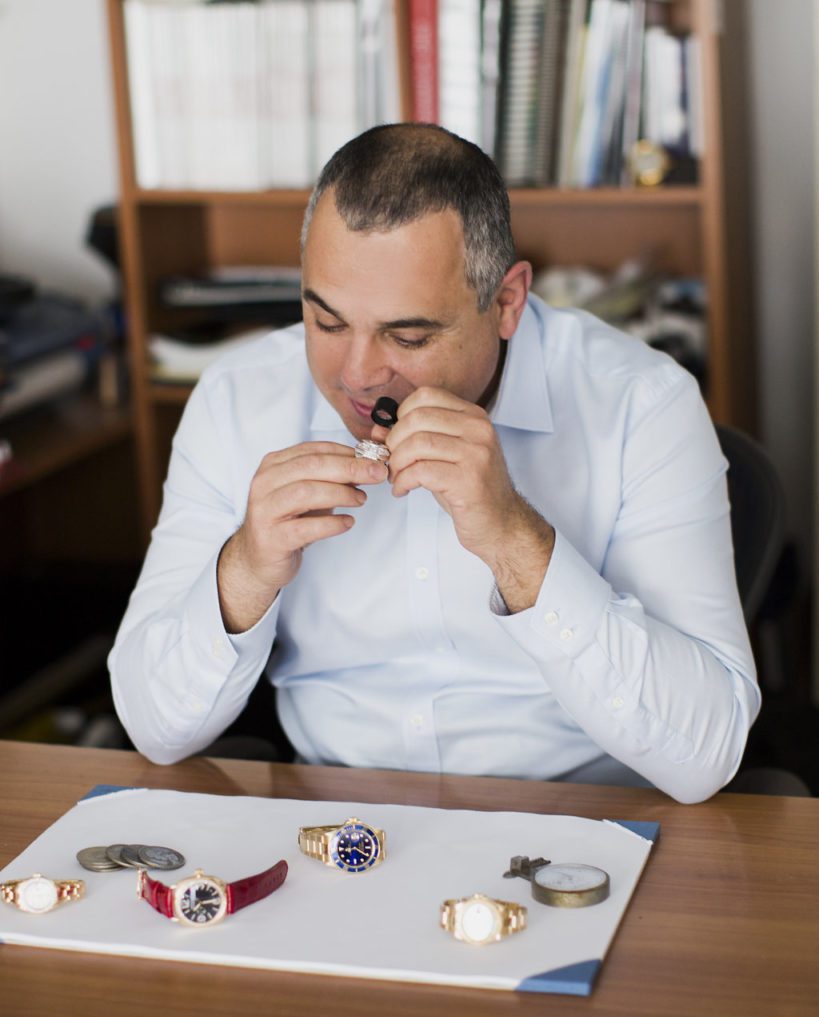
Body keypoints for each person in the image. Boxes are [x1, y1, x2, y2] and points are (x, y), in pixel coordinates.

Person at [109, 123, 759, 803]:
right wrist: (242, 570)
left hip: (584, 833)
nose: (357, 375)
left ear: (505, 303)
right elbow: (155, 730)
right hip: (334, 835)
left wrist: (514, 541)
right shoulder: (236, 400)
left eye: (408, 334)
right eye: (326, 323)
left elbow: (705, 755)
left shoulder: (641, 406)